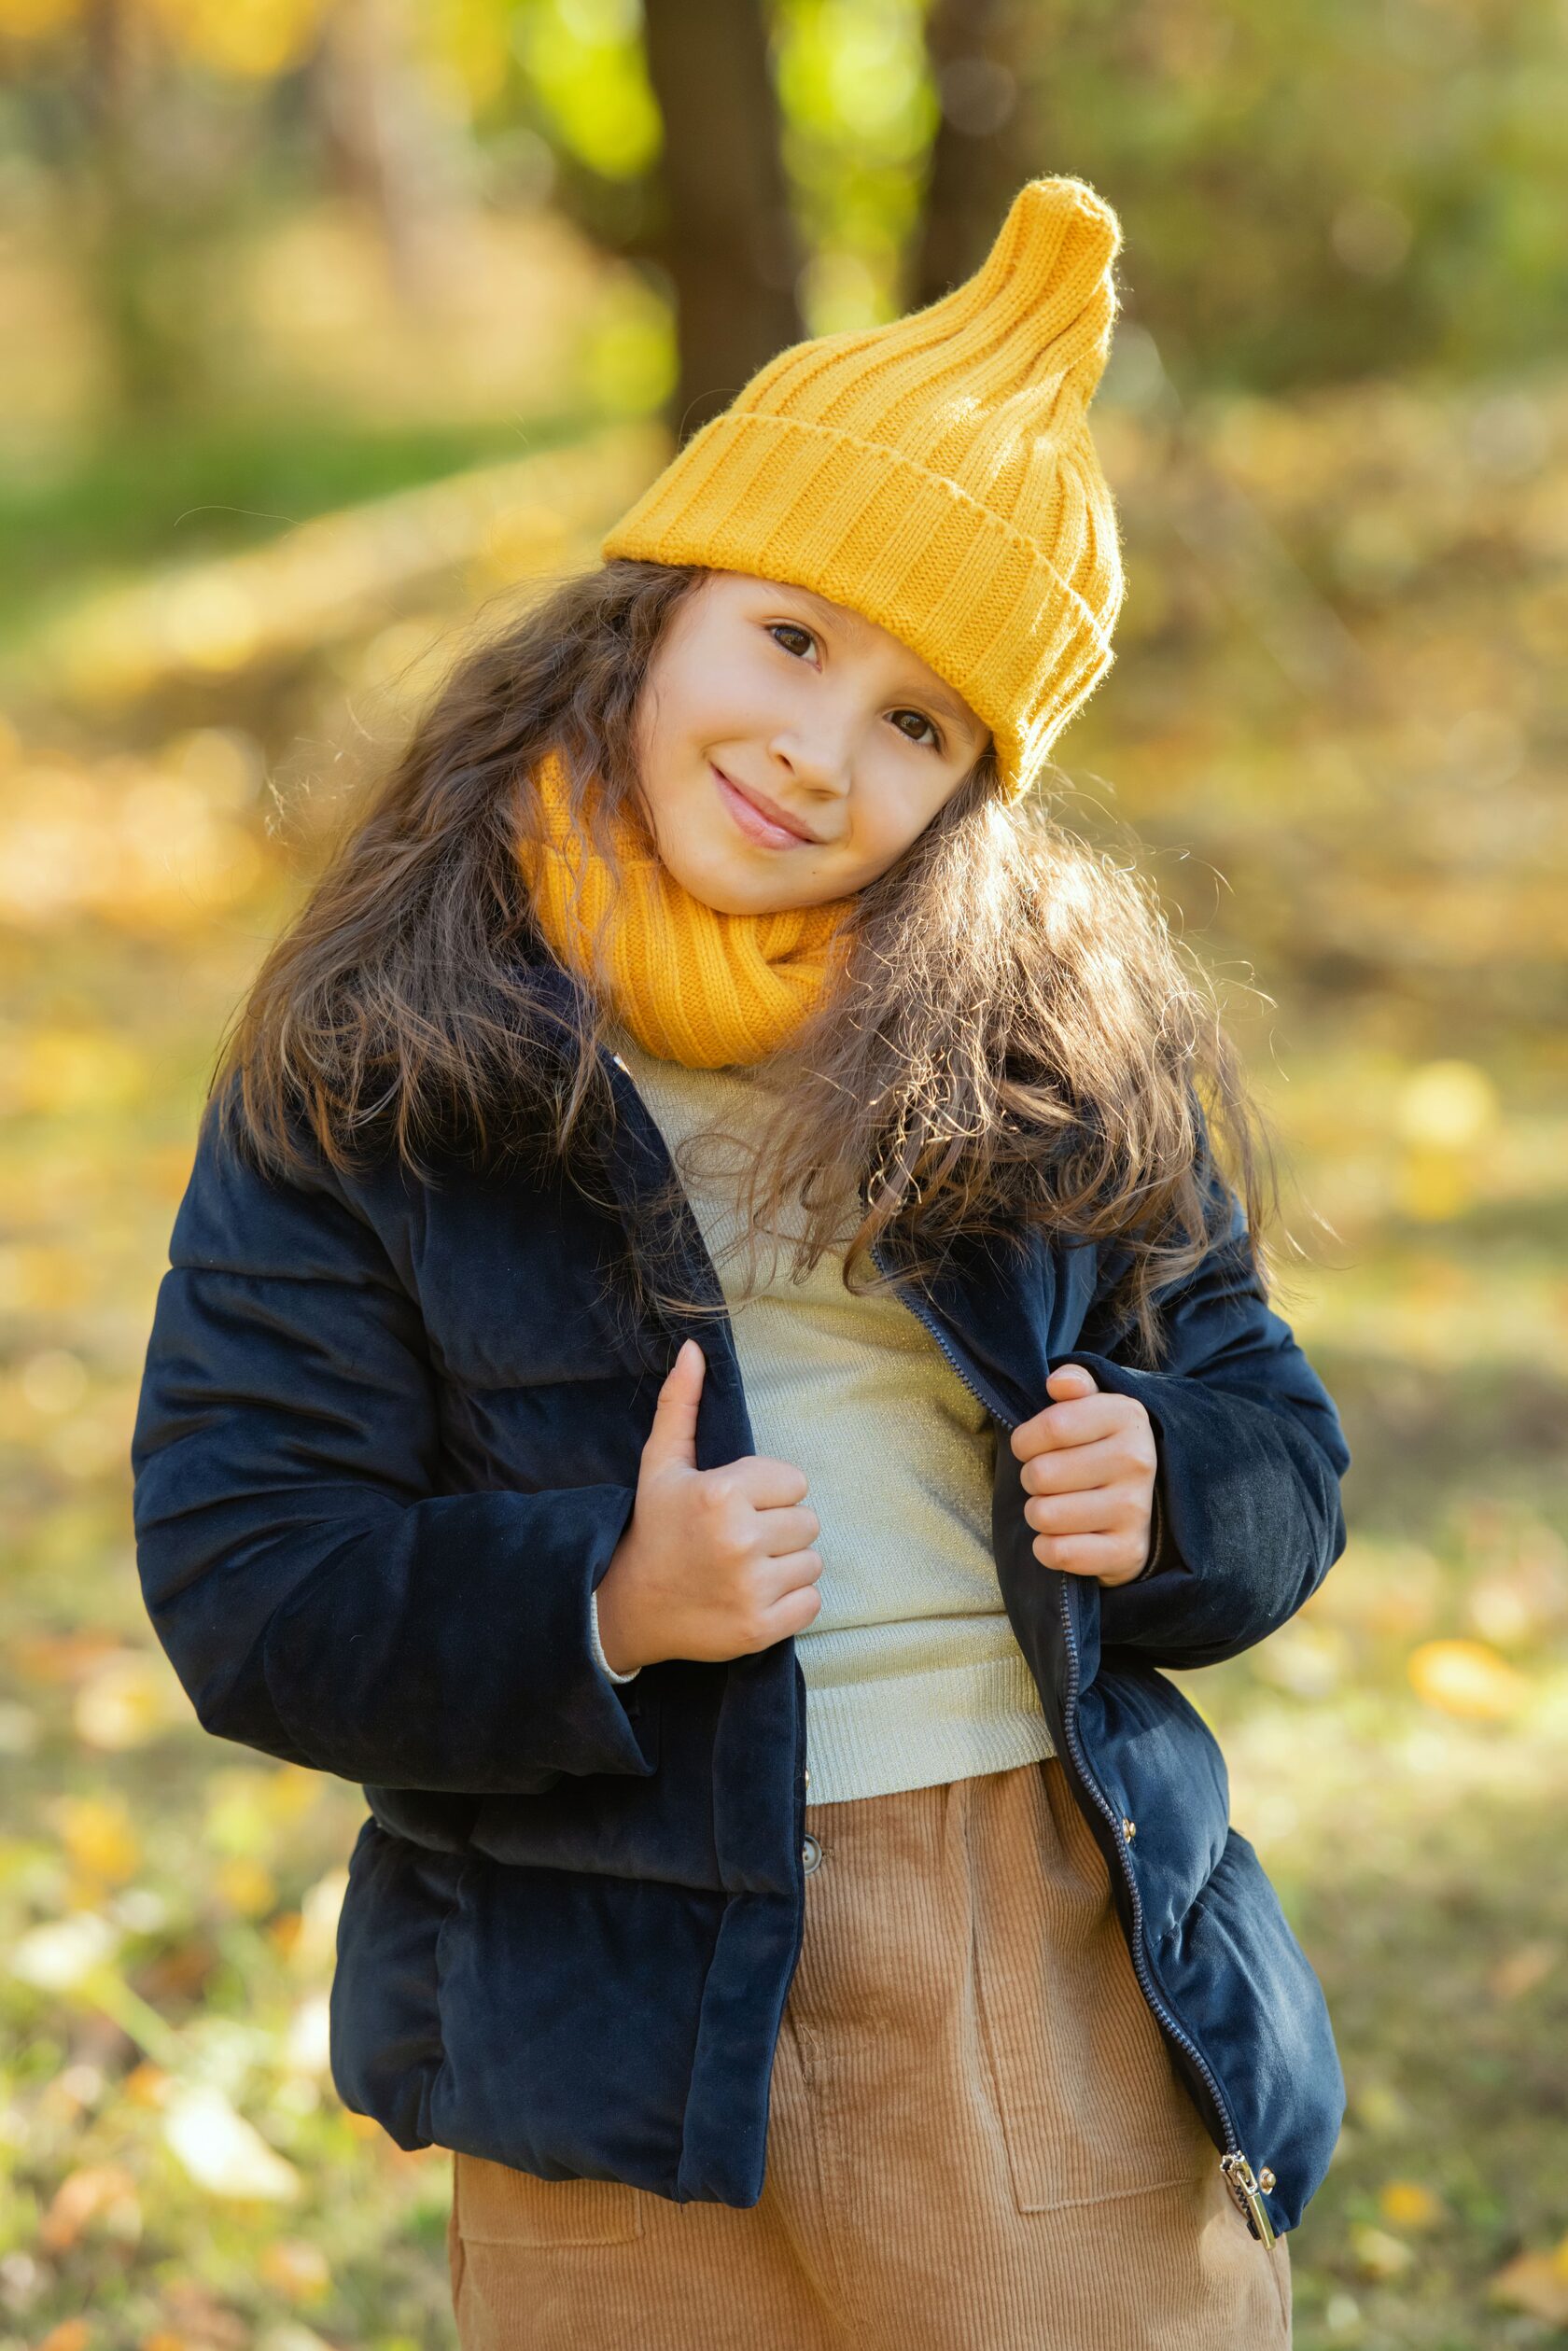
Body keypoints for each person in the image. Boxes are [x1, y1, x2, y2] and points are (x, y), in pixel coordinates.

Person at [130, 176, 1351, 2349]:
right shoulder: (379, 1048)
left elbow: (1274, 1428)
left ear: (982, 790)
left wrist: (1181, 1491)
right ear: (657, 613)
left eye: (921, 724)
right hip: (591, 1988)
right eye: (790, 640)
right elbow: (247, 1564)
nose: (816, 751)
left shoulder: (1047, 1041)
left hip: (1014, 1920)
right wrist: (600, 1597)